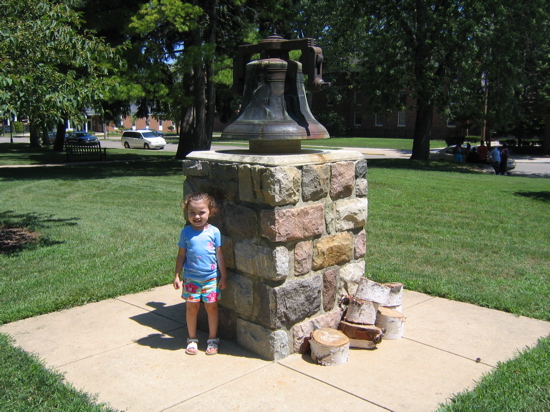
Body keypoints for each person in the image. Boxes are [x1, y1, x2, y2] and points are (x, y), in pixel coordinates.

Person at [173, 192, 227, 355]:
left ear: (210, 211)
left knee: (211, 308)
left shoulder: (214, 232)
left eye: (201, 212)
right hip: (191, 280)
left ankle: (212, 339)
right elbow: (181, 255)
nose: (197, 216)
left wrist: (223, 276)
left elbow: (219, 255)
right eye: (192, 212)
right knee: (191, 308)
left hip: (210, 279)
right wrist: (177, 275)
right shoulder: (186, 233)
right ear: (187, 212)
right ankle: (192, 339)